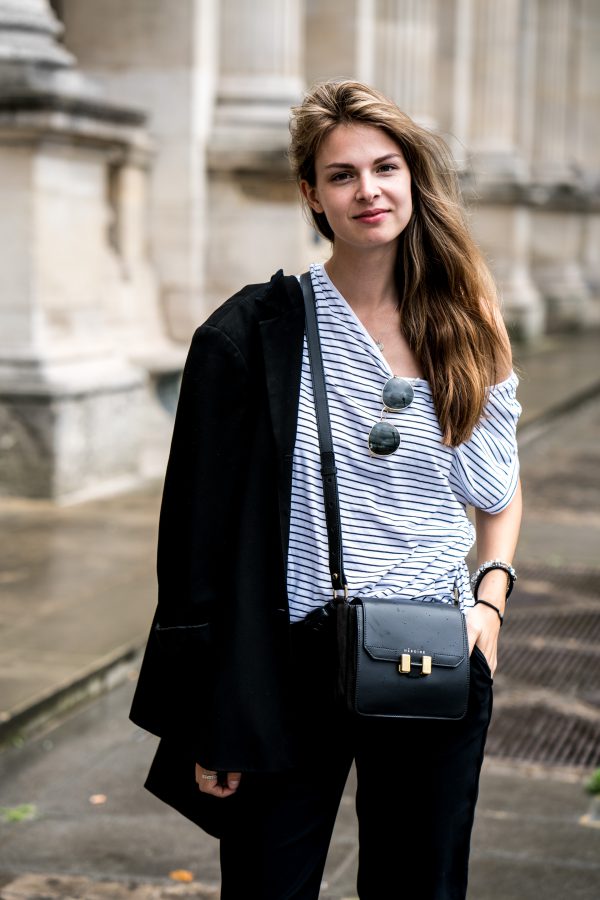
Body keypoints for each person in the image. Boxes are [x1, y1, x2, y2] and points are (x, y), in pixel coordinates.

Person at [129, 79, 522, 899]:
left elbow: (496, 489)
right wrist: (212, 714)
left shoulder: (466, 324)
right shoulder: (252, 333)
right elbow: (194, 545)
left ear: (413, 176)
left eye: (385, 167)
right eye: (342, 174)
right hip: (291, 667)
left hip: (436, 658)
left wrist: (489, 604)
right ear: (311, 194)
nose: (368, 190)